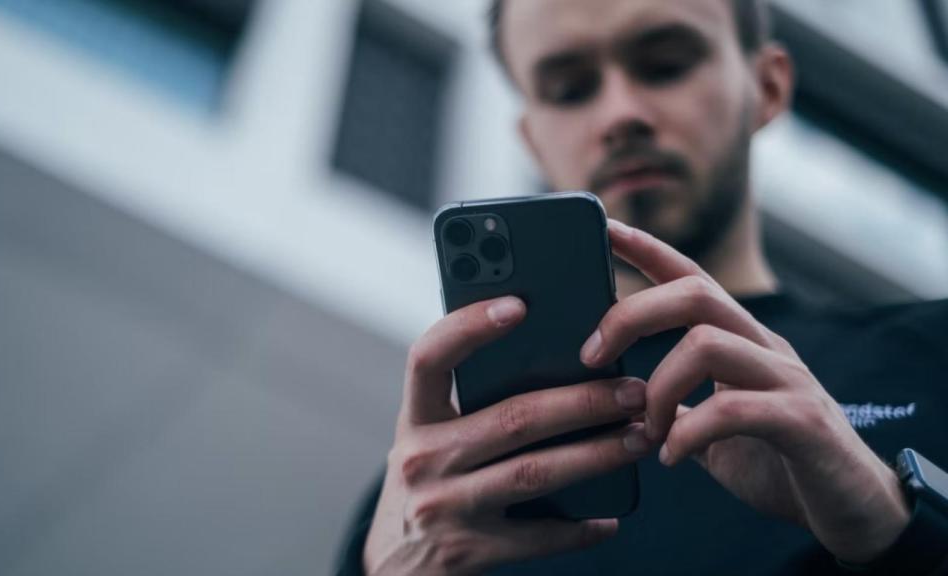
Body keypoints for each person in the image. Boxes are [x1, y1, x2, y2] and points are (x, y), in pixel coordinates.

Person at [336, 0, 948, 574]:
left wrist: (894, 521)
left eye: (665, 66)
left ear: (766, 87)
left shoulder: (933, 354)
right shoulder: (435, 488)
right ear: (533, 141)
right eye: (570, 89)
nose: (620, 113)